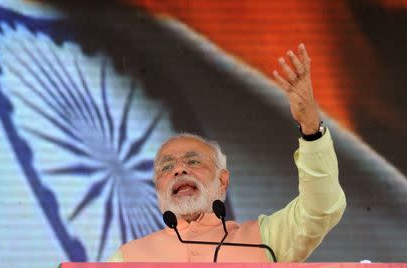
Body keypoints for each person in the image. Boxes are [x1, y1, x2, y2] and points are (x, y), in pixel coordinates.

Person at [108, 44, 346, 262]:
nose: (179, 169)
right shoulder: (127, 258)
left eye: (193, 161)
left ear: (222, 182)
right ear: (158, 188)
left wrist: (311, 128)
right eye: (167, 167)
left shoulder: (265, 241)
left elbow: (321, 208)